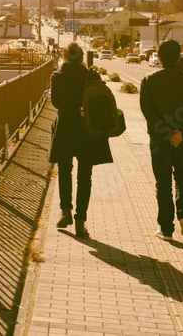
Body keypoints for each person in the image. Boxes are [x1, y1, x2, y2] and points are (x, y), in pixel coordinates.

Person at [140, 39, 183, 240]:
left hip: (160, 140)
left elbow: (148, 111)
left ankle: (166, 228)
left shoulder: (149, 80)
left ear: (158, 58)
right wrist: (180, 132)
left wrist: (167, 132)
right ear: (179, 58)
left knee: (163, 182)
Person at [50, 42, 113, 237]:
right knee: (85, 176)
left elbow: (55, 102)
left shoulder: (57, 76)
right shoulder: (90, 74)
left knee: (64, 171)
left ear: (65, 57)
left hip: (65, 128)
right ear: (82, 58)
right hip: (87, 129)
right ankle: (80, 221)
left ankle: (65, 212)